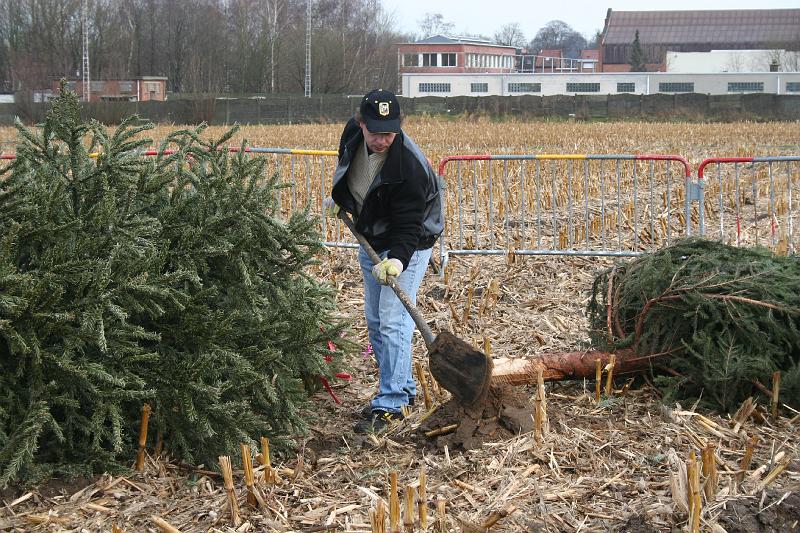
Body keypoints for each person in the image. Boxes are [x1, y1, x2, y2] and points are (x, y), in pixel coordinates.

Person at [323, 89, 443, 434]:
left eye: (389, 132)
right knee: (375, 321)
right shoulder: (351, 132)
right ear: (361, 124)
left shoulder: (408, 167)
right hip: (372, 234)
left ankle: (392, 403)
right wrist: (342, 196)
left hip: (411, 243)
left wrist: (399, 262)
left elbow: (409, 226)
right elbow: (347, 164)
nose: (381, 139)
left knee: (393, 321)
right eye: (375, 131)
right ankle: (402, 388)